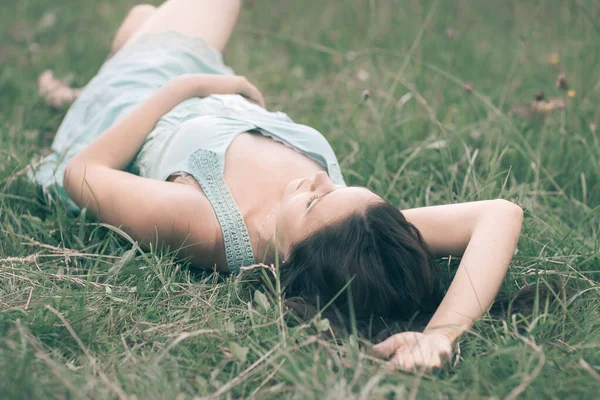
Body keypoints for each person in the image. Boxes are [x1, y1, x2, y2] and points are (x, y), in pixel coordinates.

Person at [31, 0, 524, 372]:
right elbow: (501, 213)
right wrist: (442, 332)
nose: (319, 177)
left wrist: (187, 87)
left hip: (139, 97)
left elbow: (83, 175)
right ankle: (95, 73)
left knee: (144, 21)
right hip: (210, 80)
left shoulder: (208, 225)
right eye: (338, 186)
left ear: (288, 258)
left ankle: (85, 94)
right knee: (143, 15)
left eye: (313, 200)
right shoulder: (352, 232)